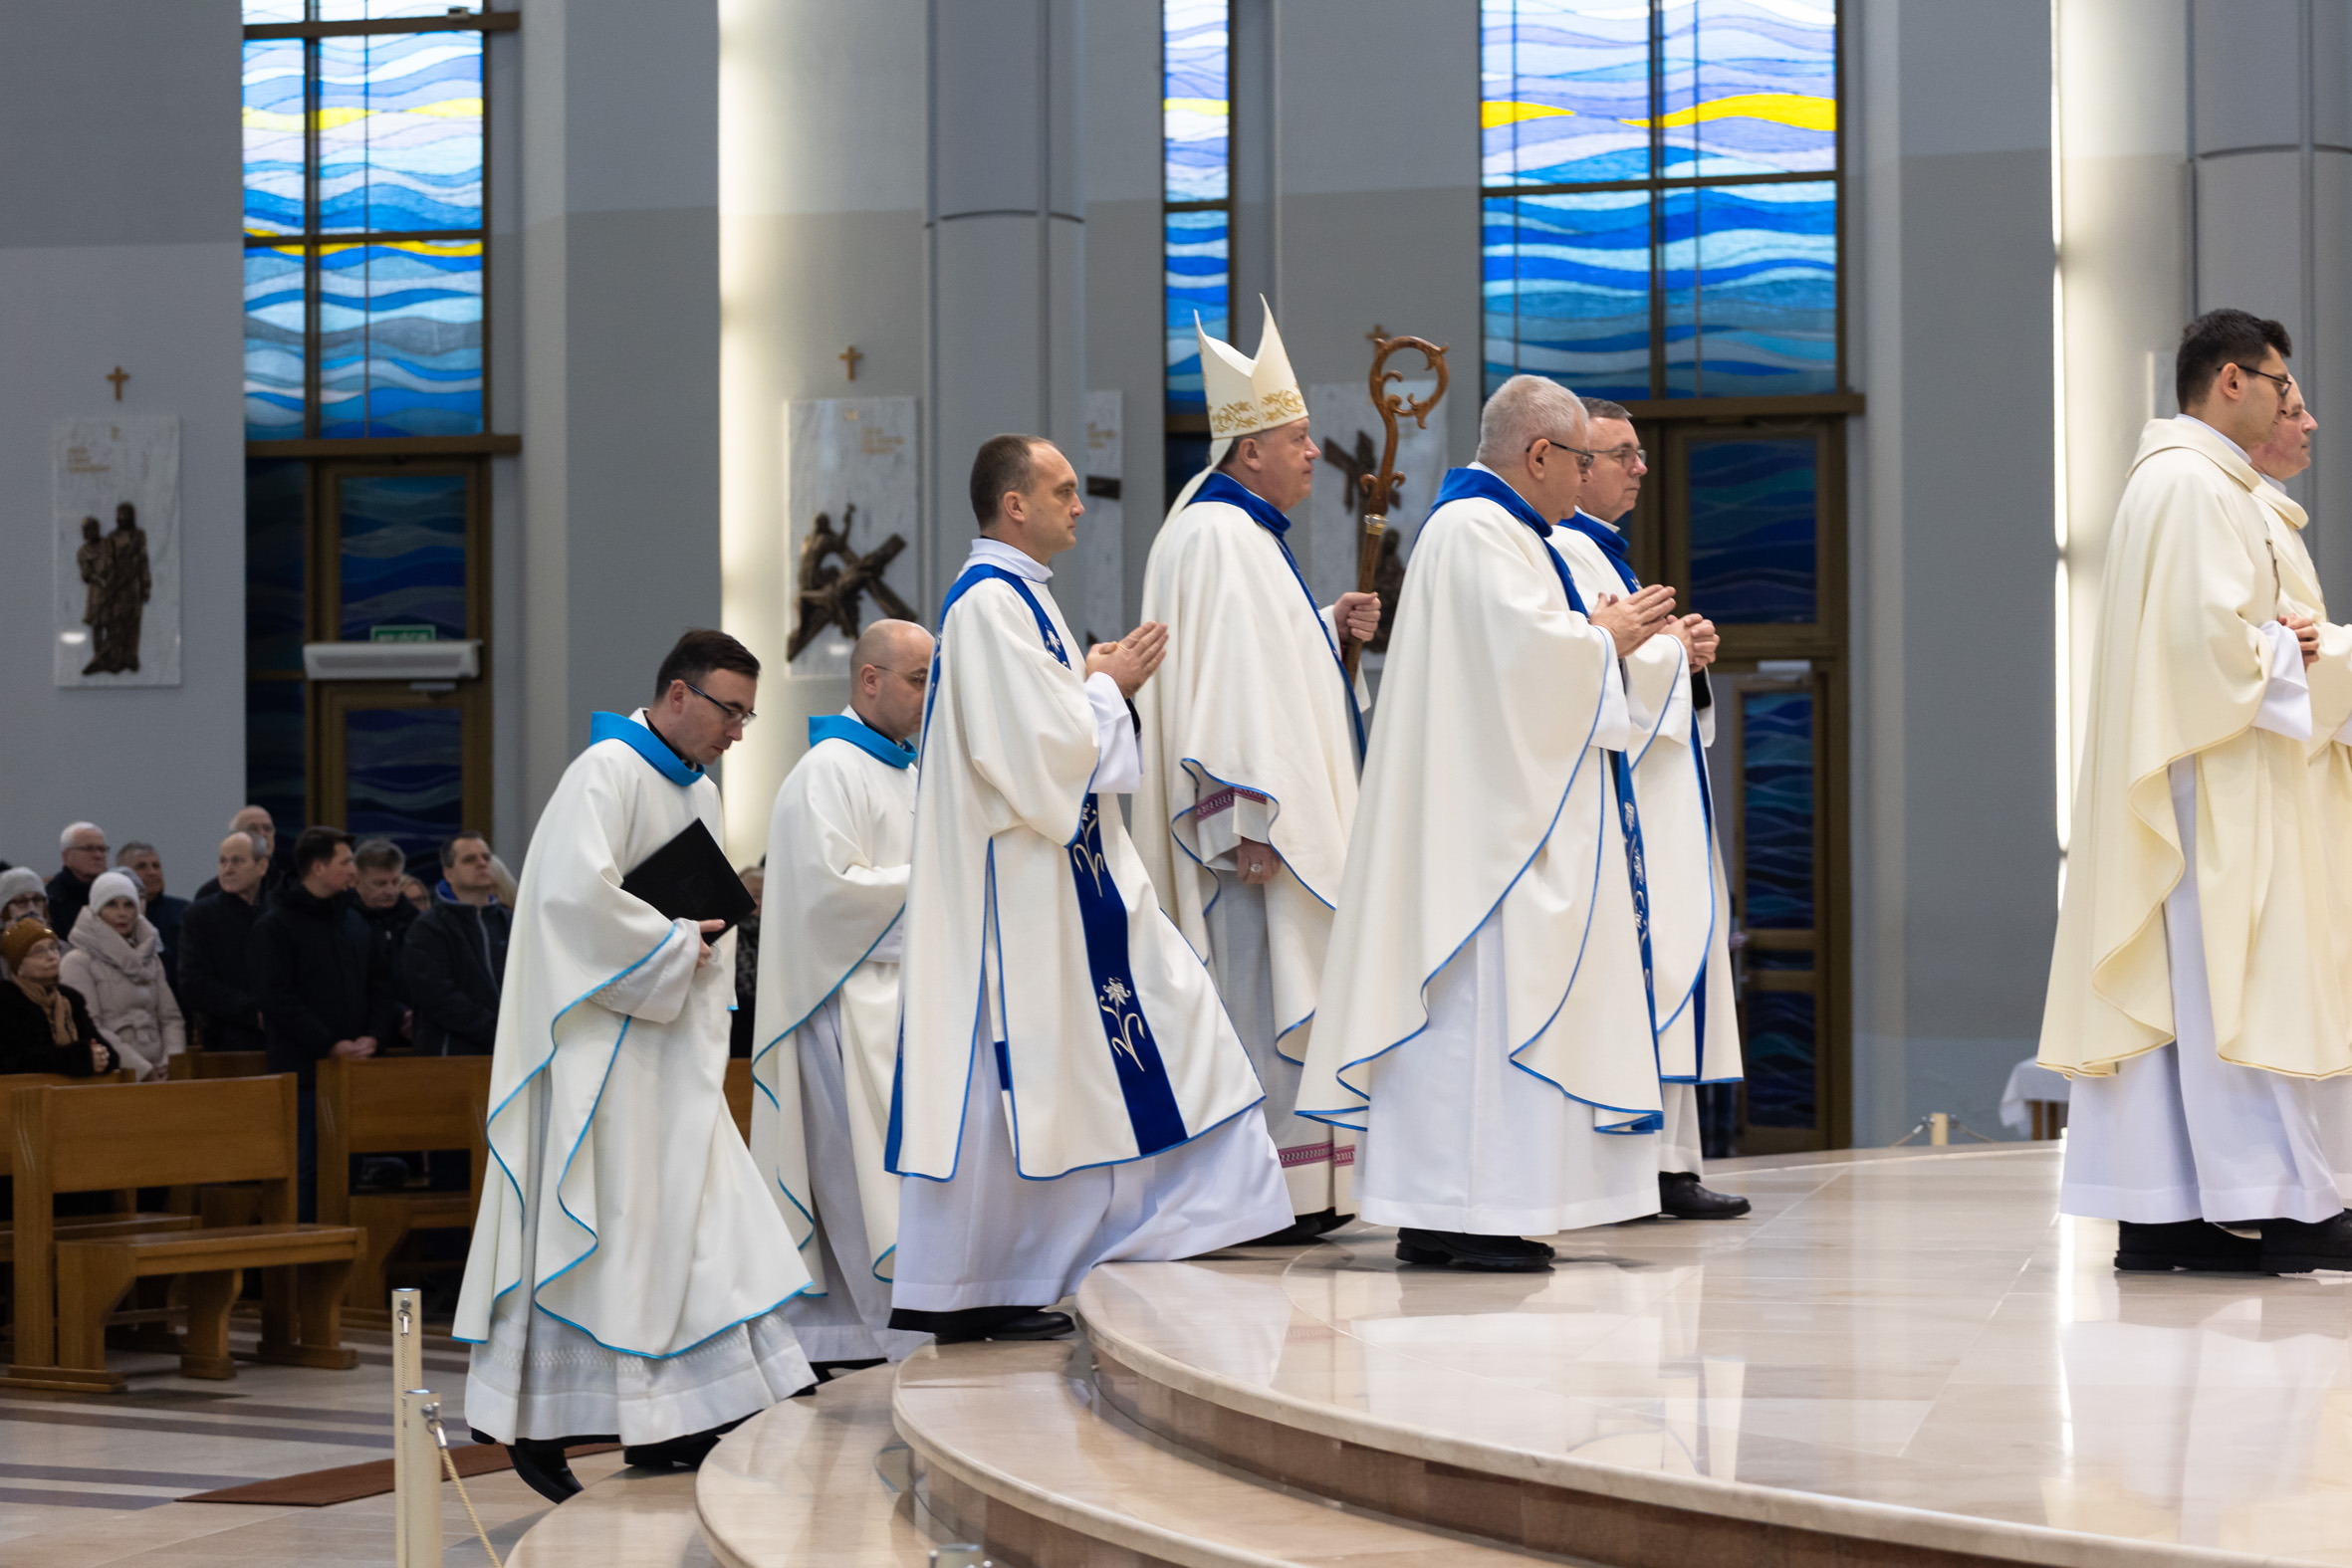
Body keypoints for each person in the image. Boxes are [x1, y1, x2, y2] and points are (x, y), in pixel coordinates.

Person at [888, 435, 1291, 1343]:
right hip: (1015, 899)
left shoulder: (1020, 598)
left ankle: (1127, 1237)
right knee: (1023, 1083)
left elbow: (1042, 726)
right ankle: (978, 1282)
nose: (1079, 505)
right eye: (1062, 490)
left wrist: (1091, 681)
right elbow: (1036, 756)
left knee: (1151, 1030)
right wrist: (1108, 688)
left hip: (1062, 883)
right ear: (1014, 504)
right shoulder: (988, 605)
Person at [1299, 375, 1679, 1272]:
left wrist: (1600, 640)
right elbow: (1524, 665)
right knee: (1475, 1024)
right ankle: (1464, 1212)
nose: (1586, 477)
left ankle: (1458, 1209)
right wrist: (1607, 638)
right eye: (1580, 459)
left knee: (1473, 1031)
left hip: (1494, 821)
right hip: (1483, 844)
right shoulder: (1476, 531)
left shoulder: (1499, 532)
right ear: (1539, 454)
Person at [454, 628, 814, 1505]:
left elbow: (705, 909)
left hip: (669, 1052)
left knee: (688, 1234)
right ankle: (537, 1423)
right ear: (679, 694)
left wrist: (699, 944)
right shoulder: (604, 773)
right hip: (601, 1060)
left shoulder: (701, 792)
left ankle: (674, 1417)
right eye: (730, 711)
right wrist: (675, 942)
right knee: (602, 1233)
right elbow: (570, 904)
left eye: (748, 716)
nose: (738, 732)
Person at [2038, 309, 2352, 1272]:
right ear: (2231, 380)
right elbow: (2201, 645)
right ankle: (2285, 1206)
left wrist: (2304, 647)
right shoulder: (2186, 483)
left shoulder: (2220, 487)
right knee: (2234, 986)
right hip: (2214, 785)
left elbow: (2255, 634)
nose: (2297, 410)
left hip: (2230, 770)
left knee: (2205, 996)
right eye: (2283, 387)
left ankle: (2166, 1214)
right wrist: (2294, 650)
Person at [1133, 307, 1380, 1242]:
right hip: (1246, 837)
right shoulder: (1219, 536)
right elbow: (1225, 696)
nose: (1315, 453)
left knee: (1278, 995)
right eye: (1298, 437)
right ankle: (1263, 1198)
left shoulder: (1241, 532)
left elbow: (1256, 663)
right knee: (1256, 997)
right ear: (1249, 452)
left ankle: (1301, 1192)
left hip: (1255, 821)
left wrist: (1324, 626)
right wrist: (1241, 821)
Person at [1547, 397, 1750, 1221]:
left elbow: (1623, 663)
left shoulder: (1606, 556)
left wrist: (1685, 660)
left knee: (1664, 975)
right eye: (1620, 454)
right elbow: (1578, 672)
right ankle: (1645, 1171)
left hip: (1654, 804)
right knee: (1641, 979)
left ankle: (1668, 1165)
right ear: (1576, 465)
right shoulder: (1563, 550)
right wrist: (1671, 652)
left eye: (1638, 453)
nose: (1639, 468)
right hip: (1616, 811)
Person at [753, 618, 934, 1372]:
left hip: (901, 1007)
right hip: (842, 1011)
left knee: (893, 1182)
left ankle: (879, 1331)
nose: (931, 694)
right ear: (869, 680)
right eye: (919, 679)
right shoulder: (825, 771)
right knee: (860, 1183)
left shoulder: (912, 769)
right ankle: (893, 1332)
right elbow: (830, 901)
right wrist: (947, 880)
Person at [251, 827, 400, 1219]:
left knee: (348, 1168)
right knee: (306, 1170)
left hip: (355, 1069)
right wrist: (329, 1043)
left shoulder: (355, 922)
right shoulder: (276, 925)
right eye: (346, 861)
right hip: (303, 1073)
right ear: (318, 868)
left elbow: (381, 987)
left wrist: (374, 1036)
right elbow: (277, 999)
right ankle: (302, 1253)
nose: (353, 869)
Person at [59, 868, 184, 1081]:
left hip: (163, 1072)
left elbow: (170, 1018)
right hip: (114, 1074)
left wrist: (171, 1063)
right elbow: (90, 1026)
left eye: (129, 905)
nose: (122, 913)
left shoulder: (151, 958)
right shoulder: (77, 962)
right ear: (97, 910)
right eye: (111, 904)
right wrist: (141, 1070)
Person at [401, 831, 512, 1057]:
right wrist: (495, 1032)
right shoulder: (429, 927)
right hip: (452, 1053)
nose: (482, 863)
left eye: (486, 857)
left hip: (510, 1049)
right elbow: (438, 996)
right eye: (470, 859)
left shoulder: (509, 922)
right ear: (448, 873)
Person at [177, 832, 271, 1053]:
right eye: (223, 861)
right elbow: (192, 981)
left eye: (237, 861)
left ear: (262, 866)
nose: (228, 869)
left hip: (281, 1035)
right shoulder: (200, 915)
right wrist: (252, 1012)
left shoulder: (278, 911)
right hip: (226, 1039)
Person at [0, 921, 118, 1077]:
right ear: (18, 966)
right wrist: (81, 1058)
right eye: (38, 951)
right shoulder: (6, 1003)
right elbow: (12, 1063)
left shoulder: (71, 1000)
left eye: (53, 948)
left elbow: (104, 1050)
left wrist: (102, 1056)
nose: (51, 956)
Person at [117, 841, 188, 1000]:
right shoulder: (115, 921)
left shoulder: (184, 911)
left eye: (156, 866)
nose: (152, 872)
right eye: (142, 866)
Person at [353, 838, 418, 1008]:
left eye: (395, 882)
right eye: (380, 884)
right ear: (356, 882)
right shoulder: (344, 924)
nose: (390, 891)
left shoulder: (416, 922)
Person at [194, 805, 289, 900]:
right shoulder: (210, 894)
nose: (263, 834)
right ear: (234, 836)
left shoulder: (290, 885)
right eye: (253, 829)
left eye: (267, 828)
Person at [47, 822, 108, 944]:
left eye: (102, 849)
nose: (98, 855)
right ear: (66, 857)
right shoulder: (52, 898)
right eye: (89, 849)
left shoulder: (114, 891)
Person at [0, 866, 49, 982]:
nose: (31, 908)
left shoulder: (62, 948)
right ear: (4, 910)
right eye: (21, 901)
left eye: (37, 899)